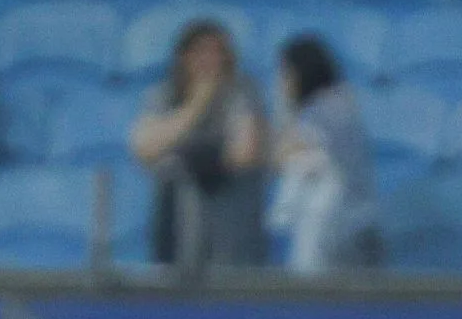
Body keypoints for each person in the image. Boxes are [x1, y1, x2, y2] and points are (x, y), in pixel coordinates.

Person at [130, 20, 269, 269]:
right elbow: (144, 148)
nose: (210, 60)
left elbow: (245, 151)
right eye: (201, 52)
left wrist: (201, 157)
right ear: (184, 57)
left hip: (229, 220)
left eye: (217, 52)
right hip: (176, 226)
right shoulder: (163, 95)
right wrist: (196, 105)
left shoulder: (242, 91)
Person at [266, 35, 382, 274]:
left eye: (285, 74)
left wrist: (284, 108)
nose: (281, 82)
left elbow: (282, 157)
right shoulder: (339, 103)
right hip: (345, 221)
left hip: (338, 225)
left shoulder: (327, 110)